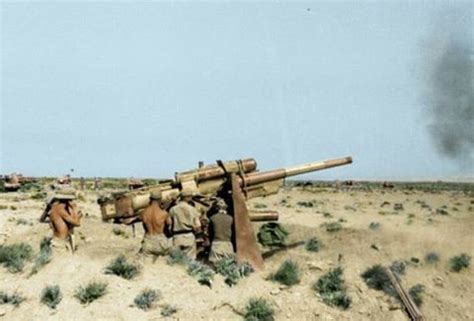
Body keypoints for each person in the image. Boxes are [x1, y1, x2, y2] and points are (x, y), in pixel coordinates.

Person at [139, 190, 172, 257]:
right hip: (161, 243)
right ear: (160, 199)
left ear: (150, 199)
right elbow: (169, 224)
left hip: (148, 242)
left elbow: (144, 226)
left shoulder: (144, 213)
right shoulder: (164, 213)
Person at [169, 189, 201, 259]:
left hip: (177, 237)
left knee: (177, 261)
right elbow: (198, 225)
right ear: (188, 197)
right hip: (189, 236)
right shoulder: (192, 209)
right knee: (190, 261)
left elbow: (169, 225)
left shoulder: (173, 209)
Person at [208, 199, 234, 263]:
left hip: (216, 244)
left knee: (216, 266)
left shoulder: (212, 218)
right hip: (227, 244)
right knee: (228, 266)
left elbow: (210, 232)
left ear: (216, 208)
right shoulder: (231, 218)